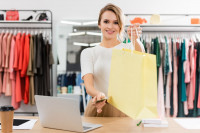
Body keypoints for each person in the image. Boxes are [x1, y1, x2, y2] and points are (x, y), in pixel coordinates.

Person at [81, 3, 144, 117]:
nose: (110, 26)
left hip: (124, 110)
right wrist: (99, 95)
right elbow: (89, 87)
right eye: (106, 21)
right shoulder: (88, 53)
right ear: (99, 24)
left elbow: (142, 62)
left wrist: (136, 40)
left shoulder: (129, 48)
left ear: (121, 26)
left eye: (116, 22)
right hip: (98, 107)